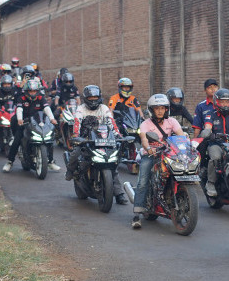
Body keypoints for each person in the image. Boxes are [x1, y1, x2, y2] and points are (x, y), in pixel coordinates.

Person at [131, 94, 185, 229]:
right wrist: (148, 148)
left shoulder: (172, 121)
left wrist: (187, 144)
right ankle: (137, 215)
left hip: (168, 153)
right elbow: (144, 139)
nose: (160, 111)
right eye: (157, 108)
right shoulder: (145, 124)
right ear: (151, 110)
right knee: (143, 181)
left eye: (163, 108)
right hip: (151, 154)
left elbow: (181, 135)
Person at [64, 86, 124, 206]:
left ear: (99, 98)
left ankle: (119, 194)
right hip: (85, 140)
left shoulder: (104, 108)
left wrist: (118, 135)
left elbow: (111, 122)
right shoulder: (81, 109)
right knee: (76, 153)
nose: (93, 100)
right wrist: (76, 136)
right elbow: (77, 123)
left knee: (113, 164)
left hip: (103, 140)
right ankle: (70, 172)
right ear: (85, 98)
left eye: (95, 97)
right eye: (90, 98)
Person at [2, 79, 61, 172]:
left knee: (48, 139)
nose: (32, 93)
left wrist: (52, 118)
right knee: (17, 140)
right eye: (30, 91)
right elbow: (19, 109)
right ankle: (10, 162)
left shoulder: (41, 97)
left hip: (38, 122)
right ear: (26, 91)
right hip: (24, 123)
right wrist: (20, 119)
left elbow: (46, 108)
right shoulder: (21, 98)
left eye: (34, 91)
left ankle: (50, 162)